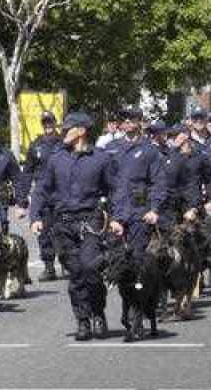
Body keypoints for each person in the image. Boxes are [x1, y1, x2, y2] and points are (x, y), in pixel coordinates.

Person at [29, 112, 122, 341]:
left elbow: (115, 190)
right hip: (64, 223)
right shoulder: (56, 158)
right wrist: (35, 217)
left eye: (67, 129)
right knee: (76, 273)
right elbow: (42, 189)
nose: (62, 133)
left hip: (90, 220)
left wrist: (118, 218)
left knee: (90, 268)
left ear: (81, 131)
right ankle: (82, 320)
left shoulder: (101, 158)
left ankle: (98, 313)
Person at [108, 109, 165, 342]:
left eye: (132, 119)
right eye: (124, 120)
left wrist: (154, 209)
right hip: (116, 216)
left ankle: (138, 316)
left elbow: (159, 181)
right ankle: (126, 311)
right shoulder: (111, 149)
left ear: (140, 123)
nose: (128, 123)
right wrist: (108, 215)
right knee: (119, 267)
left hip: (140, 214)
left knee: (139, 266)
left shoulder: (150, 150)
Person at [20, 110, 64, 281]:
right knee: (44, 230)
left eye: (50, 122)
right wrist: (22, 199)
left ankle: (66, 260)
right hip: (43, 192)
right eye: (45, 122)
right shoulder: (35, 145)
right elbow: (27, 172)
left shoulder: (63, 143)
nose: (48, 125)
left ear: (55, 123)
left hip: (60, 191)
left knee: (62, 228)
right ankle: (49, 267)